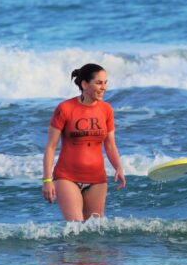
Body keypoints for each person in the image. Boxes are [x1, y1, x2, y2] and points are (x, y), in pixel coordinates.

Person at [42, 63, 125, 221]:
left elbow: (110, 144)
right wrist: (47, 180)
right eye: (99, 83)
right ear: (84, 84)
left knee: (92, 234)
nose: (104, 87)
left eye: (105, 82)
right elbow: (51, 147)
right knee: (76, 228)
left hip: (97, 180)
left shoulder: (106, 110)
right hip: (67, 177)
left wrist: (118, 167)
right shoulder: (65, 109)